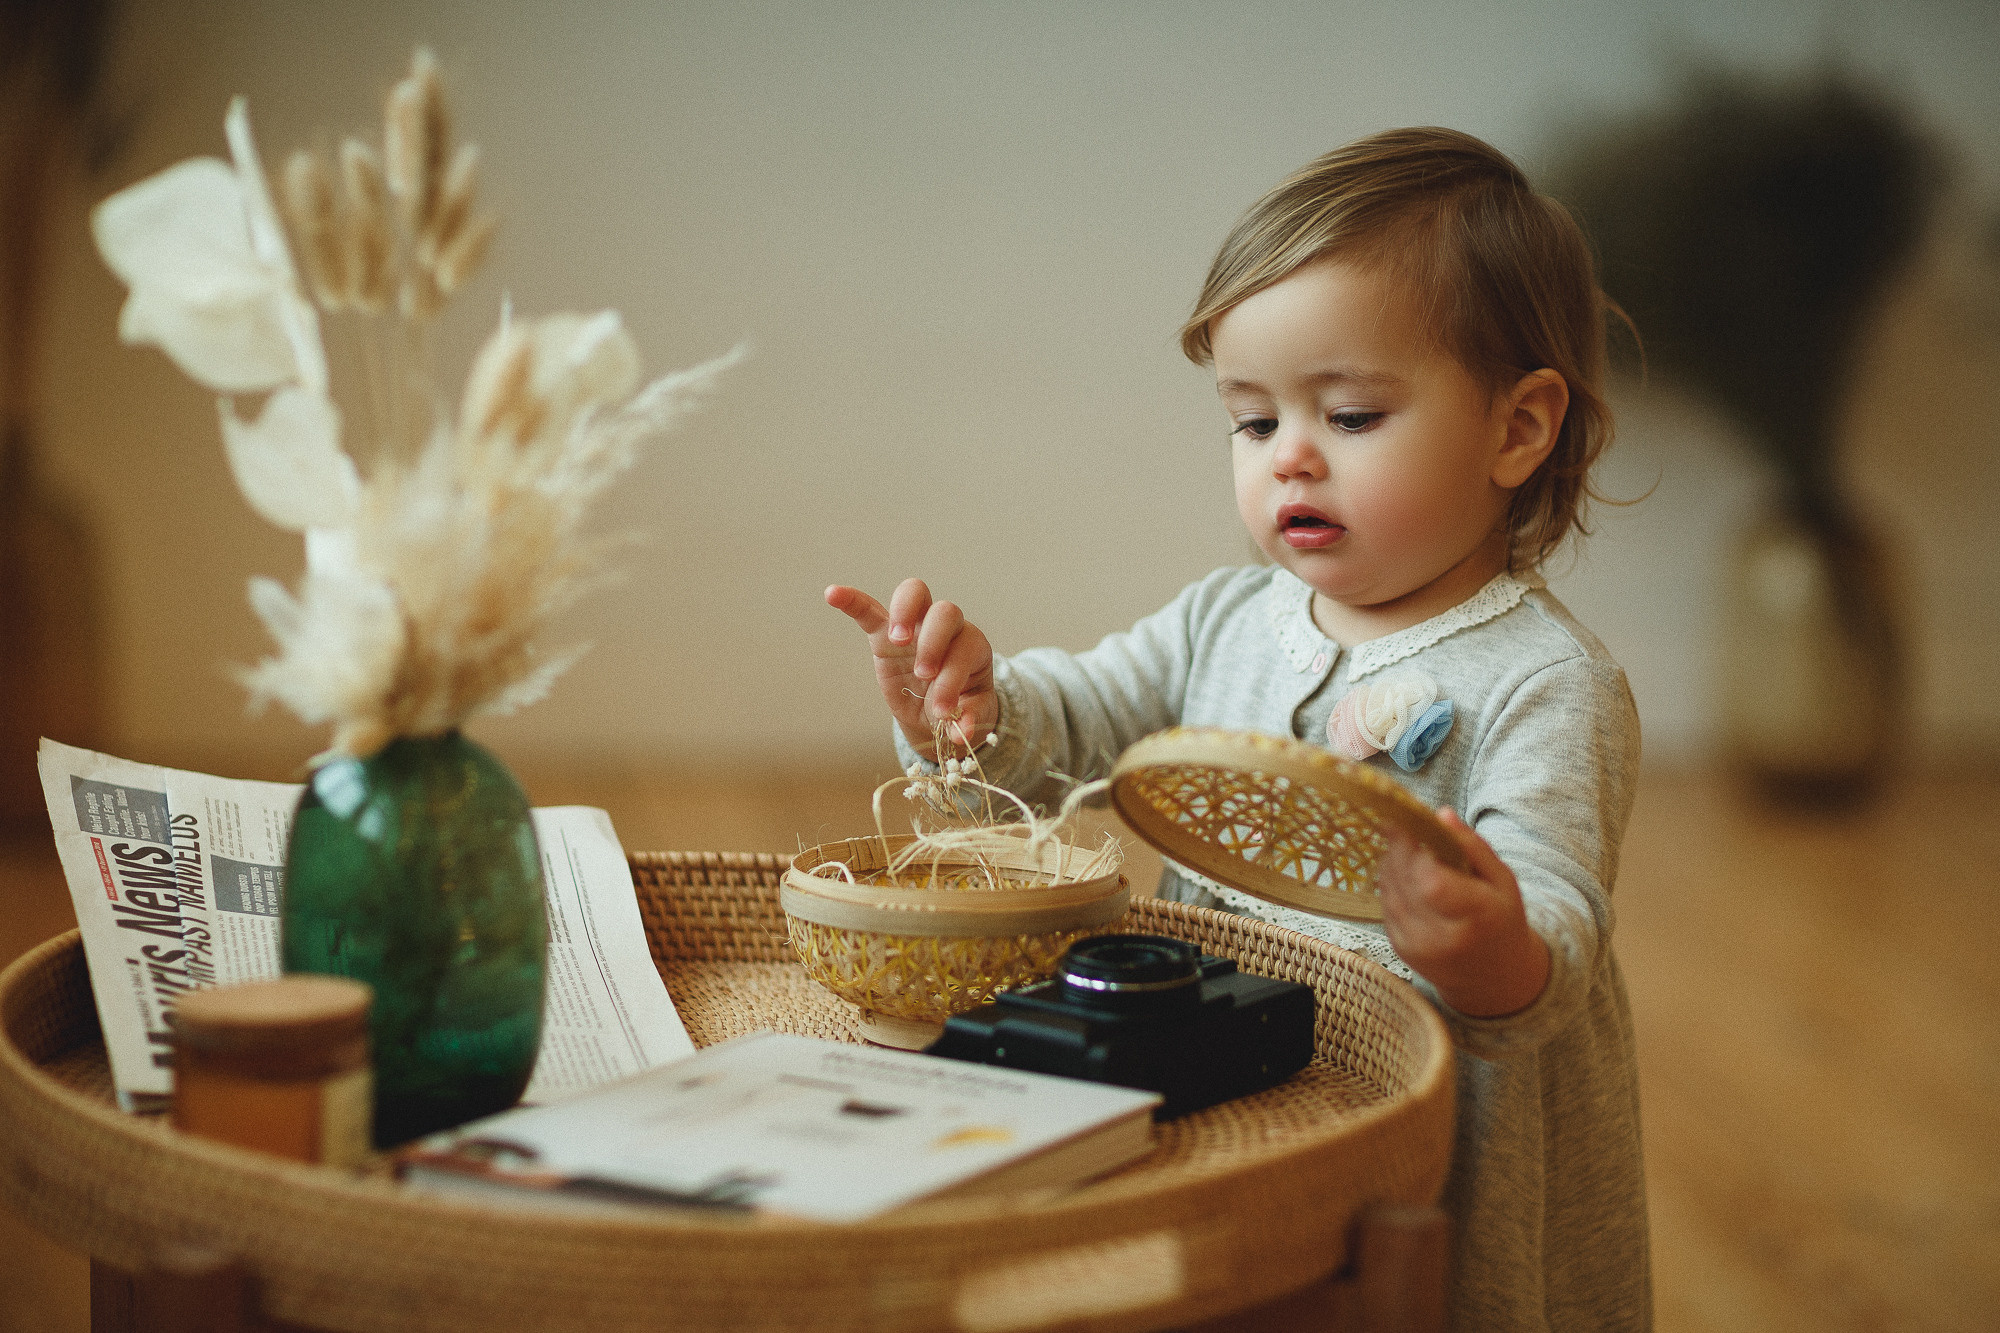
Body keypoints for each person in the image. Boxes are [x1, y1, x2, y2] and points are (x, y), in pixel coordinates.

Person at [827, 126, 1649, 1331]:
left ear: (1516, 429)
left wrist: (1486, 945)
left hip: (1434, 1121)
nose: (1289, 459)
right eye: (1253, 422)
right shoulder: (1228, 617)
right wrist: (974, 706)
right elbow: (1075, 725)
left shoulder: (1544, 681)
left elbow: (1553, 923)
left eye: (1351, 415)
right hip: (1234, 1078)